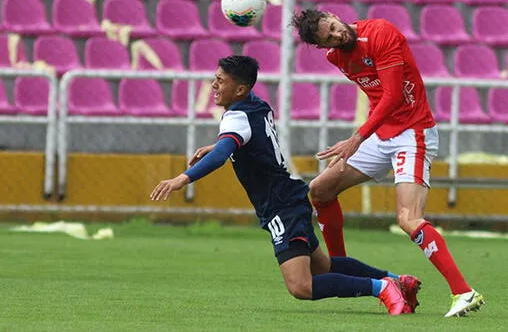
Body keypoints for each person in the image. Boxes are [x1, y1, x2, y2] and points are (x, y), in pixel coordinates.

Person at [150, 55, 421, 315]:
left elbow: (222, 155)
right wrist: (219, 144)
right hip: (291, 197)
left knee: (301, 286)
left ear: (241, 89)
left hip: (280, 204)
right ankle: (398, 280)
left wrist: (182, 178)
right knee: (323, 267)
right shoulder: (257, 104)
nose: (213, 85)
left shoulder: (235, 117)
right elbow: (252, 140)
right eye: (215, 78)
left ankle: (383, 288)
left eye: (220, 80)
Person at [291, 10, 485, 317]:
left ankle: (463, 291)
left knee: (408, 218)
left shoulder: (381, 33)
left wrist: (357, 137)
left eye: (333, 28)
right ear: (320, 45)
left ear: (334, 16)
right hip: (380, 134)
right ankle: (342, 274)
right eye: (327, 38)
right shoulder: (336, 57)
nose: (337, 36)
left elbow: (393, 95)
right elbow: (376, 94)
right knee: (320, 190)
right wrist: (366, 136)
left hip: (412, 131)